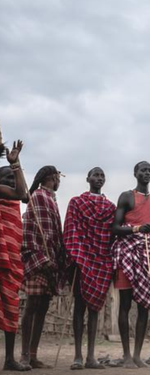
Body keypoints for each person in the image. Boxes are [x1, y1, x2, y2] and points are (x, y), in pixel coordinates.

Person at [63, 167, 116, 370]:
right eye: (96, 174)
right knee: (79, 307)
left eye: (102, 175)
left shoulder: (110, 207)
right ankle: (78, 355)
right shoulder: (77, 202)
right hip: (82, 260)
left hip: (101, 261)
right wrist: (77, 255)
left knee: (95, 308)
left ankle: (91, 356)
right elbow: (70, 228)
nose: (99, 178)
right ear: (88, 179)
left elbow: (112, 235)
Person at [111, 161, 150, 369]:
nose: (146, 173)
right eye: (143, 170)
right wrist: (137, 229)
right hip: (127, 254)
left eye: (149, 170)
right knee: (125, 303)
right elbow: (115, 228)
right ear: (135, 173)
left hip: (146, 255)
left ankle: (138, 354)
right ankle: (127, 354)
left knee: (144, 305)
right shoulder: (127, 196)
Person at [20, 166, 65, 369]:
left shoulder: (52, 199)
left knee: (43, 308)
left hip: (50, 262)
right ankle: (23, 356)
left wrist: (56, 259)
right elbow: (29, 228)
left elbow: (54, 233)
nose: (59, 181)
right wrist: (40, 257)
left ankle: (33, 354)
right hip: (38, 260)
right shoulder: (38, 196)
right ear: (52, 178)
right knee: (31, 306)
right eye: (58, 177)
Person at [0, 140, 31, 372]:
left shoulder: (12, 203)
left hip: (10, 262)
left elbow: (22, 193)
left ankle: (9, 359)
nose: (11, 183)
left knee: (11, 307)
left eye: (12, 179)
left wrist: (16, 164)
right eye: (7, 179)